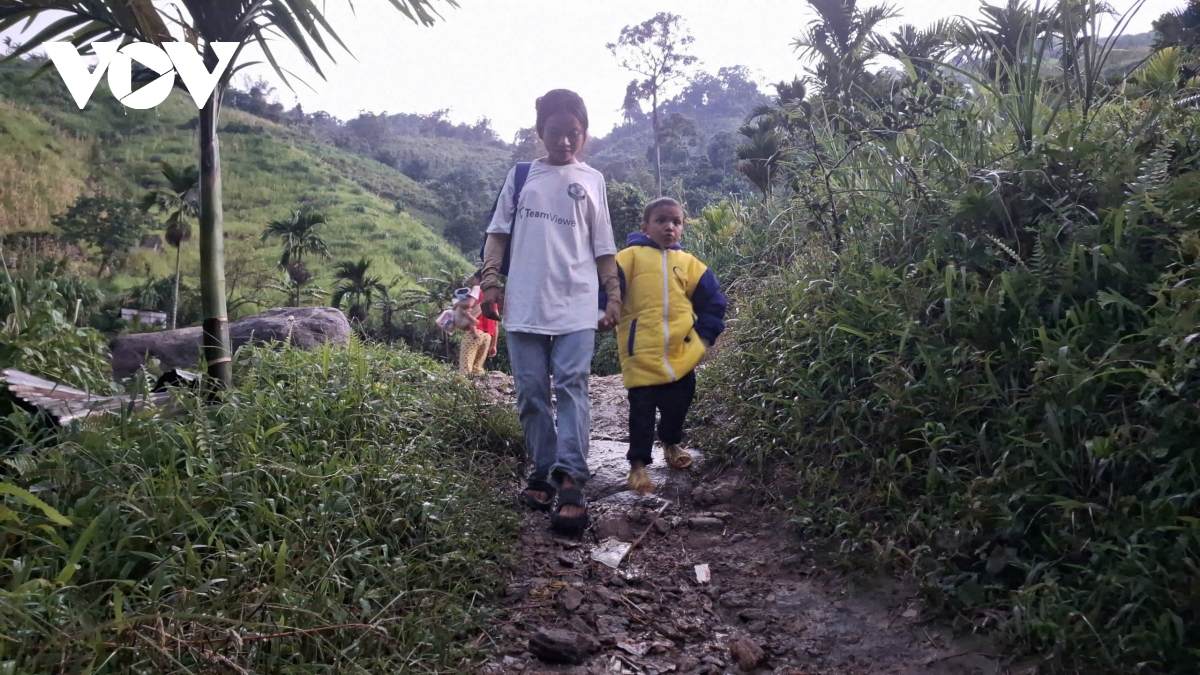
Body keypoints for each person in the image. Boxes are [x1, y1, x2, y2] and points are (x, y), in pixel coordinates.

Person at [479, 89, 621, 536]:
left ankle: (571, 478)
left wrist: (612, 295)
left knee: (574, 387)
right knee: (532, 392)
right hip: (524, 303)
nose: (564, 142)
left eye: (573, 134)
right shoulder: (522, 176)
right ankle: (541, 470)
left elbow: (603, 248)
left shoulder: (593, 180)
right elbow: (497, 233)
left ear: (584, 133)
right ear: (540, 132)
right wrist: (489, 282)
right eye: (556, 133)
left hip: (577, 302)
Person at [614, 197, 726, 494]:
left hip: (681, 353)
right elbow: (608, 291)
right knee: (642, 410)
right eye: (661, 220)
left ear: (682, 229)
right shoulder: (628, 258)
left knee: (679, 403)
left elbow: (713, 303)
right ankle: (638, 467)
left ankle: (670, 441)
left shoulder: (689, 265)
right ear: (645, 226)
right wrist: (602, 312)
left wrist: (703, 336)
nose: (669, 227)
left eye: (676, 222)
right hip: (641, 353)